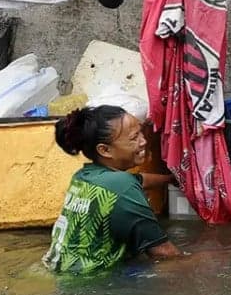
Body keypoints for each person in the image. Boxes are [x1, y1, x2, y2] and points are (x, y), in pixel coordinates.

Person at [43, 105, 182, 273]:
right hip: (90, 283)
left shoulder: (84, 176)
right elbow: (165, 254)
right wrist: (213, 259)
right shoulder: (122, 187)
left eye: (140, 132)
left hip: (60, 271)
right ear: (105, 150)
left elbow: (139, 180)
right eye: (134, 137)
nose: (144, 141)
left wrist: (171, 179)